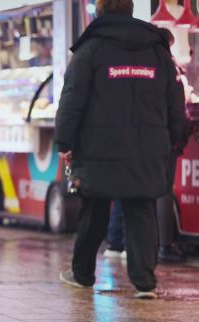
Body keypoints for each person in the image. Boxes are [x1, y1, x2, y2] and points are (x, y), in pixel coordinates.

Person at [55, 0, 188, 299]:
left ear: (99, 11)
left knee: (95, 209)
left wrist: (65, 142)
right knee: (141, 210)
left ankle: (83, 274)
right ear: (130, 11)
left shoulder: (90, 50)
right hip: (148, 147)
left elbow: (72, 101)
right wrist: (175, 138)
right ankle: (144, 283)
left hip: (98, 147)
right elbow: (175, 98)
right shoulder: (157, 51)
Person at [156, 27, 192, 263]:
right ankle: (164, 245)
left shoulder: (142, 64)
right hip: (165, 140)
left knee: (142, 193)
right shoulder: (170, 68)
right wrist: (179, 139)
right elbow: (178, 109)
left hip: (143, 140)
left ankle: (144, 245)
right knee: (162, 191)